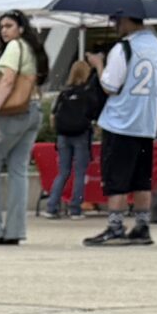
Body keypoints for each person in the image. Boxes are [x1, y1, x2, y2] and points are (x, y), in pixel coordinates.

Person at [84, 8, 157, 245]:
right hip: (146, 122)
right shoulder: (156, 45)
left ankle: (115, 225)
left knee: (115, 178)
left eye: (117, 19)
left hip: (121, 121)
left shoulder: (123, 48)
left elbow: (110, 85)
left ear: (128, 19)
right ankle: (142, 225)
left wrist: (99, 64)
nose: (115, 24)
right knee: (142, 178)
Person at [0, 10, 46, 245]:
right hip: (32, 109)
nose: (4, 30)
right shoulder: (32, 49)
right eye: (2, 26)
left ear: (20, 28)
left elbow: (8, 80)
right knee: (18, 170)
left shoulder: (14, 47)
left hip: (12, 114)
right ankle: (14, 230)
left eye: (9, 25)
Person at [46, 57, 102, 216]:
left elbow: (53, 115)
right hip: (81, 134)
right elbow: (94, 113)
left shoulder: (64, 93)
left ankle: (51, 206)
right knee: (79, 173)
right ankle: (75, 208)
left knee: (63, 172)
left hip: (63, 135)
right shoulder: (87, 93)